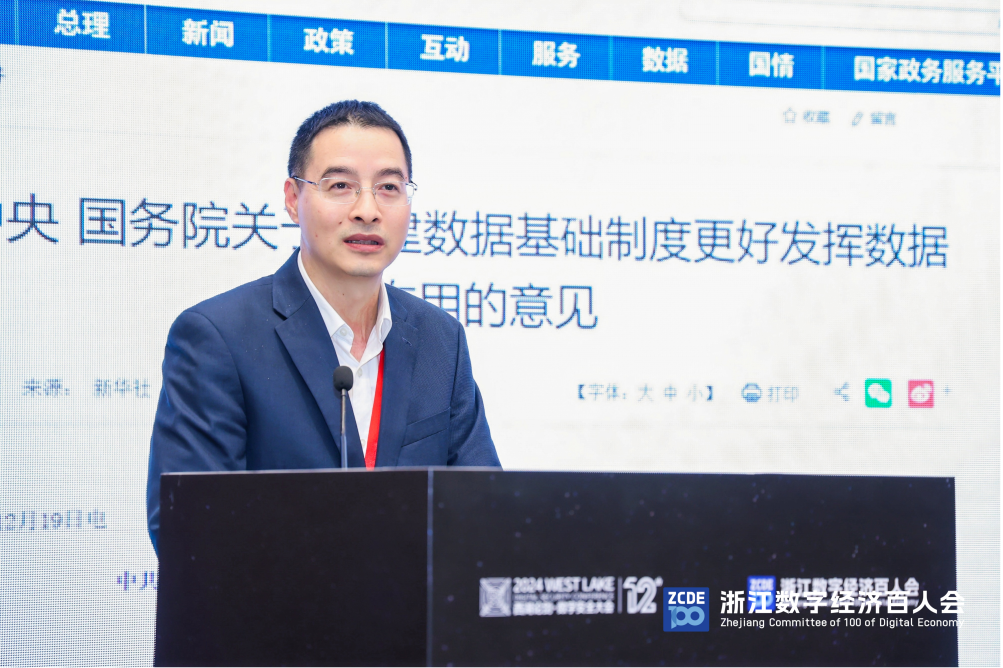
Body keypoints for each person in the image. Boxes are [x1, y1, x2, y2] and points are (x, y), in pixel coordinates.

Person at [146, 100, 500, 552]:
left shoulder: (440, 339)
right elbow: (191, 534)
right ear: (293, 199)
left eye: (389, 187)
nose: (367, 210)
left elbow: (484, 516)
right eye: (340, 186)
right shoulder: (218, 338)